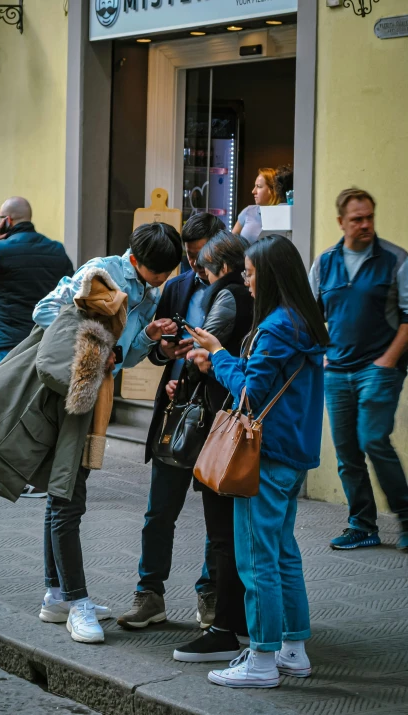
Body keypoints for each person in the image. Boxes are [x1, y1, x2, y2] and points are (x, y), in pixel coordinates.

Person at [31, 222, 183, 644]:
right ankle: (76, 602)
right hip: (70, 395)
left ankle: (56, 595)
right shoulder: (101, 273)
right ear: (136, 261)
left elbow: (125, 358)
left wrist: (147, 336)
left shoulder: (148, 295)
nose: (163, 283)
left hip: (94, 399)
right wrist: (96, 344)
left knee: (64, 492)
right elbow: (45, 312)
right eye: (158, 274)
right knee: (68, 500)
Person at [188, 234, 329, 688]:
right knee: (284, 552)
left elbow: (249, 391)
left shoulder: (274, 327)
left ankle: (263, 661)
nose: (246, 282)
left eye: (249, 273)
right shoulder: (305, 321)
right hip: (294, 453)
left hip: (264, 455)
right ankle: (293, 649)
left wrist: (218, 354)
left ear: (267, 276)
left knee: (256, 559)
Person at [117, 213, 240, 639]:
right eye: (189, 257)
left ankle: (209, 594)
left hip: (221, 415)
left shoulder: (240, 291)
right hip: (178, 409)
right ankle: (148, 593)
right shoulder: (177, 286)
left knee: (216, 517)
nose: (194, 266)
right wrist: (165, 351)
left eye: (200, 256)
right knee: (159, 510)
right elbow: (156, 350)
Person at [170, 230, 254, 662]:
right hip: (244, 422)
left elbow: (207, 351)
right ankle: (238, 618)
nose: (200, 275)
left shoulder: (229, 295)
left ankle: (222, 629)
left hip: (225, 422)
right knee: (237, 530)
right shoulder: (261, 299)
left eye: (203, 267)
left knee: (221, 532)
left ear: (221, 267)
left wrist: (193, 360)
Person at [309, 188, 408, 552]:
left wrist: (389, 360)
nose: (365, 224)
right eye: (357, 219)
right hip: (336, 371)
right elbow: (311, 315)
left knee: (372, 440)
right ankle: (362, 524)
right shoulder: (325, 262)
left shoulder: (396, 259)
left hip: (378, 370)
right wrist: (321, 355)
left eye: (369, 217)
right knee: (348, 452)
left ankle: (406, 517)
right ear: (341, 222)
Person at [0, 196, 73, 363]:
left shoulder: (0, 249)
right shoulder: (56, 249)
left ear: (7, 220)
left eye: (0, 219)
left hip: (10, 336)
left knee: (11, 385)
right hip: (45, 332)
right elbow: (71, 288)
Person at [232, 168, 279, 244]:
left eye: (259, 186)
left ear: (272, 189)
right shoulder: (248, 211)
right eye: (255, 186)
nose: (253, 191)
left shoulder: (284, 216)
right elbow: (230, 244)